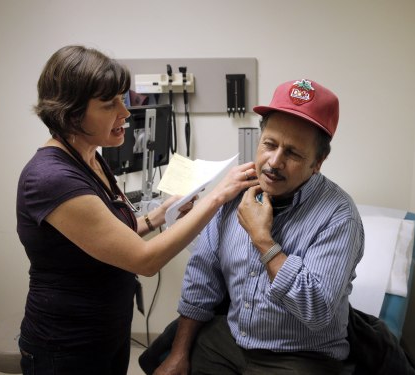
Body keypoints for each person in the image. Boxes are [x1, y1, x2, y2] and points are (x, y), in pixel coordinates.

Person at [16, 45, 258, 375]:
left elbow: (111, 235)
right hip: (65, 345)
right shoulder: (52, 178)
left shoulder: (89, 156)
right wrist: (217, 197)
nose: (125, 112)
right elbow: (144, 260)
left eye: (122, 98)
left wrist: (162, 212)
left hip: (105, 333)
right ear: (71, 113)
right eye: (109, 104)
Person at [153, 79, 365, 375]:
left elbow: (317, 311)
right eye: (269, 144)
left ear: (318, 162)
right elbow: (202, 278)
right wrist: (179, 353)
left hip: (301, 355)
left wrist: (262, 239)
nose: (274, 162)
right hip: (229, 342)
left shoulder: (339, 216)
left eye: (292, 153)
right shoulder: (234, 195)